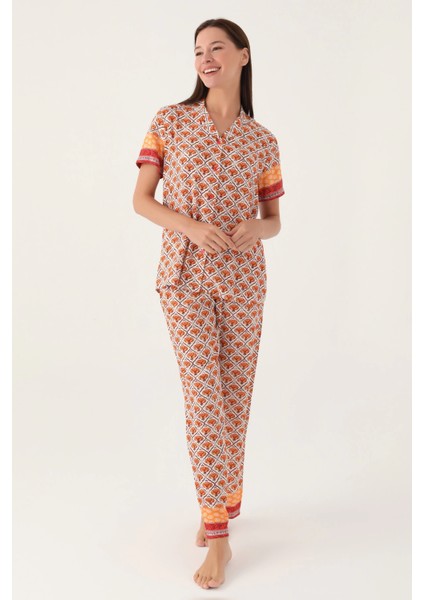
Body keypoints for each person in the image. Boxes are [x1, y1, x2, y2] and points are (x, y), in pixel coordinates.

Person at [132, 17, 285, 590]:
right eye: (198, 51)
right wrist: (191, 228)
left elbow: (274, 220)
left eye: (216, 47)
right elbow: (142, 200)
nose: (205, 58)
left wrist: (256, 227)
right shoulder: (169, 122)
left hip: (245, 281)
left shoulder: (262, 140)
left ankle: (218, 503)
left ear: (243, 55)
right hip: (185, 278)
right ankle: (219, 537)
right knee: (203, 398)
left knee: (234, 400)